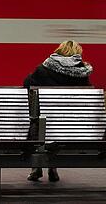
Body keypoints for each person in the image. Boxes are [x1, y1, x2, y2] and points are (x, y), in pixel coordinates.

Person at [23, 40, 93, 183]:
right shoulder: (82, 73)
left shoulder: (43, 69)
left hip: (46, 124)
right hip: (73, 125)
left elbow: (26, 84)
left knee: (37, 124)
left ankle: (37, 168)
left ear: (59, 50)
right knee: (55, 127)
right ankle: (52, 167)